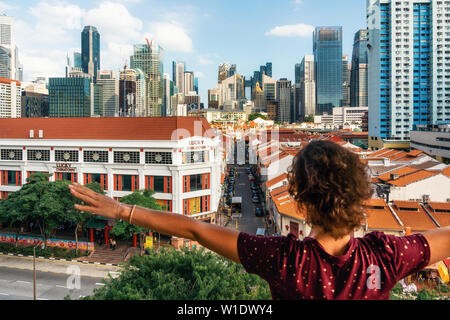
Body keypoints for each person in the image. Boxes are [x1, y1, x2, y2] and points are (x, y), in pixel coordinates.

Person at [68, 140, 450, 300]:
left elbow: (194, 229)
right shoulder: (386, 254)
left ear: (299, 200)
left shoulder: (287, 260)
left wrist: (120, 210)